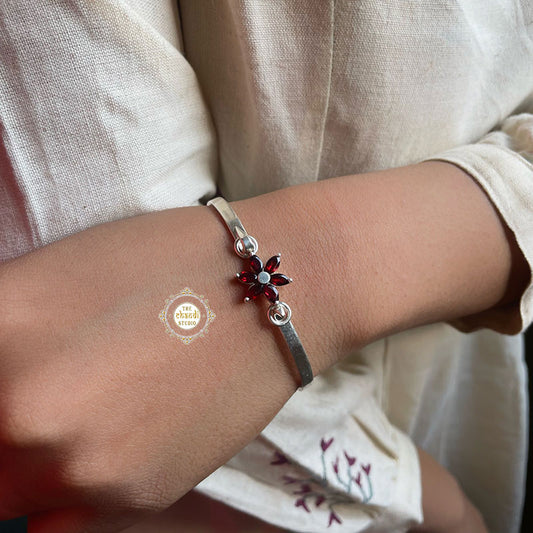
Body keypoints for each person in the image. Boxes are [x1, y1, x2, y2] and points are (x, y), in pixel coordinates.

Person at [0, 1, 531, 532]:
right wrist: (416, 492)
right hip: (233, 494)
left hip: (463, 386)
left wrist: (338, 258)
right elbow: (113, 339)